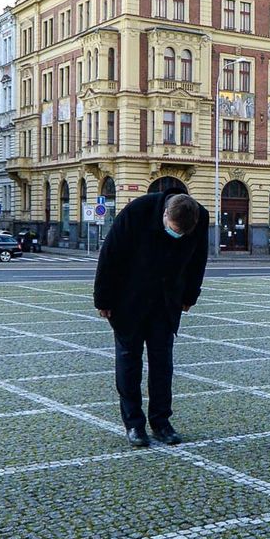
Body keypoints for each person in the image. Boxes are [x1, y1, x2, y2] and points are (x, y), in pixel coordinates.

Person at [94, 192, 209, 448]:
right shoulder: (137, 212)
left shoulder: (200, 218)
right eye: (174, 230)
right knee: (129, 363)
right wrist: (103, 300)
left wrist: (190, 295)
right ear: (164, 214)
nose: (177, 236)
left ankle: (161, 423)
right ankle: (134, 424)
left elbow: (198, 261)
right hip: (128, 301)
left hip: (166, 303)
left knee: (162, 364)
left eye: (183, 234)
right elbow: (109, 255)